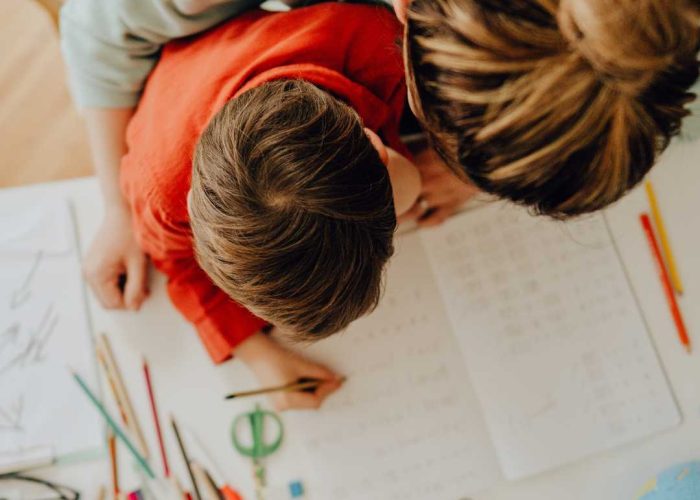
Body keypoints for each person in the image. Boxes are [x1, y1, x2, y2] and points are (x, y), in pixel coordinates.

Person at [66, 1, 447, 410]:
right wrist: (255, 353)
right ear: (190, 207)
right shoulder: (160, 188)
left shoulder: (379, 41)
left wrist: (425, 178)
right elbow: (177, 263)